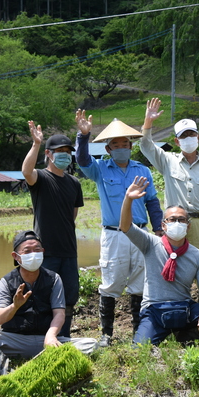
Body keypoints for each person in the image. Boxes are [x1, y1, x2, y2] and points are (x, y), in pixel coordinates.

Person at [75, 110, 163, 347]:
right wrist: (83, 137)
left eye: (126, 143)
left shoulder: (142, 171)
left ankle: (138, 333)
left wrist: (159, 231)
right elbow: (82, 160)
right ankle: (107, 335)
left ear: (131, 147)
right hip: (114, 235)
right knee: (111, 282)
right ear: (108, 149)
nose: (122, 146)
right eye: (117, 144)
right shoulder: (100, 169)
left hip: (140, 233)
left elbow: (153, 202)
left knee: (139, 283)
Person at [119, 176, 199, 346]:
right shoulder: (150, 244)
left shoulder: (197, 256)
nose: (177, 223)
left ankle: (186, 334)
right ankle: (162, 333)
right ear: (163, 225)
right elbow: (125, 226)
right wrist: (128, 199)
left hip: (184, 309)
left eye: (181, 220)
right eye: (172, 219)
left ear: (188, 226)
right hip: (155, 310)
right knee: (139, 350)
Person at [0, 231, 97, 375]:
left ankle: (46, 362)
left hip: (46, 340)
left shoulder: (53, 279)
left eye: (37, 250)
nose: (33, 254)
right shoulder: (6, 282)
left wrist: (51, 335)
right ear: (16, 256)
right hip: (15, 341)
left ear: (43, 252)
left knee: (91, 344)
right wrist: (15, 306)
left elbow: (59, 313)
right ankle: (7, 373)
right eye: (27, 251)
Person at [140, 97, 199, 256]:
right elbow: (145, 146)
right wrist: (148, 121)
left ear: (198, 137)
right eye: (184, 136)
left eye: (192, 134)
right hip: (174, 223)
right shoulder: (167, 161)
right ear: (177, 141)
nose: (189, 139)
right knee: (173, 268)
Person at [22, 123, 84, 337]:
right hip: (45, 251)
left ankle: (63, 337)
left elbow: (72, 216)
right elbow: (26, 171)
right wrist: (36, 143)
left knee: (68, 297)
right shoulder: (40, 178)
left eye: (68, 152)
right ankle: (41, 337)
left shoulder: (74, 183)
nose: (65, 156)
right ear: (49, 154)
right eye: (61, 152)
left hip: (68, 250)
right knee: (43, 295)